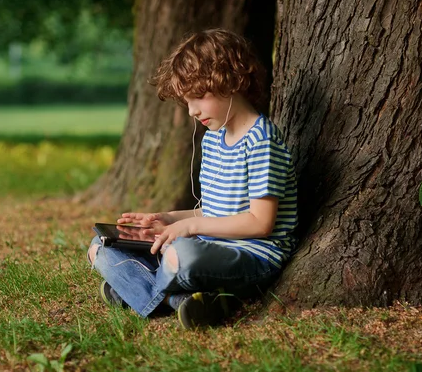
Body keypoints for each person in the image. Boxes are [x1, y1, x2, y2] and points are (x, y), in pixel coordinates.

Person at [87, 28, 298, 329]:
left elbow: (260, 223)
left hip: (253, 257)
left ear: (232, 81)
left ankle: (137, 290)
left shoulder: (262, 141)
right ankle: (179, 300)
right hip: (208, 245)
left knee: (180, 254)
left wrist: (191, 227)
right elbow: (213, 210)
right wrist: (169, 219)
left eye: (198, 97)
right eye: (187, 101)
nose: (191, 110)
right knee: (100, 247)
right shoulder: (214, 139)